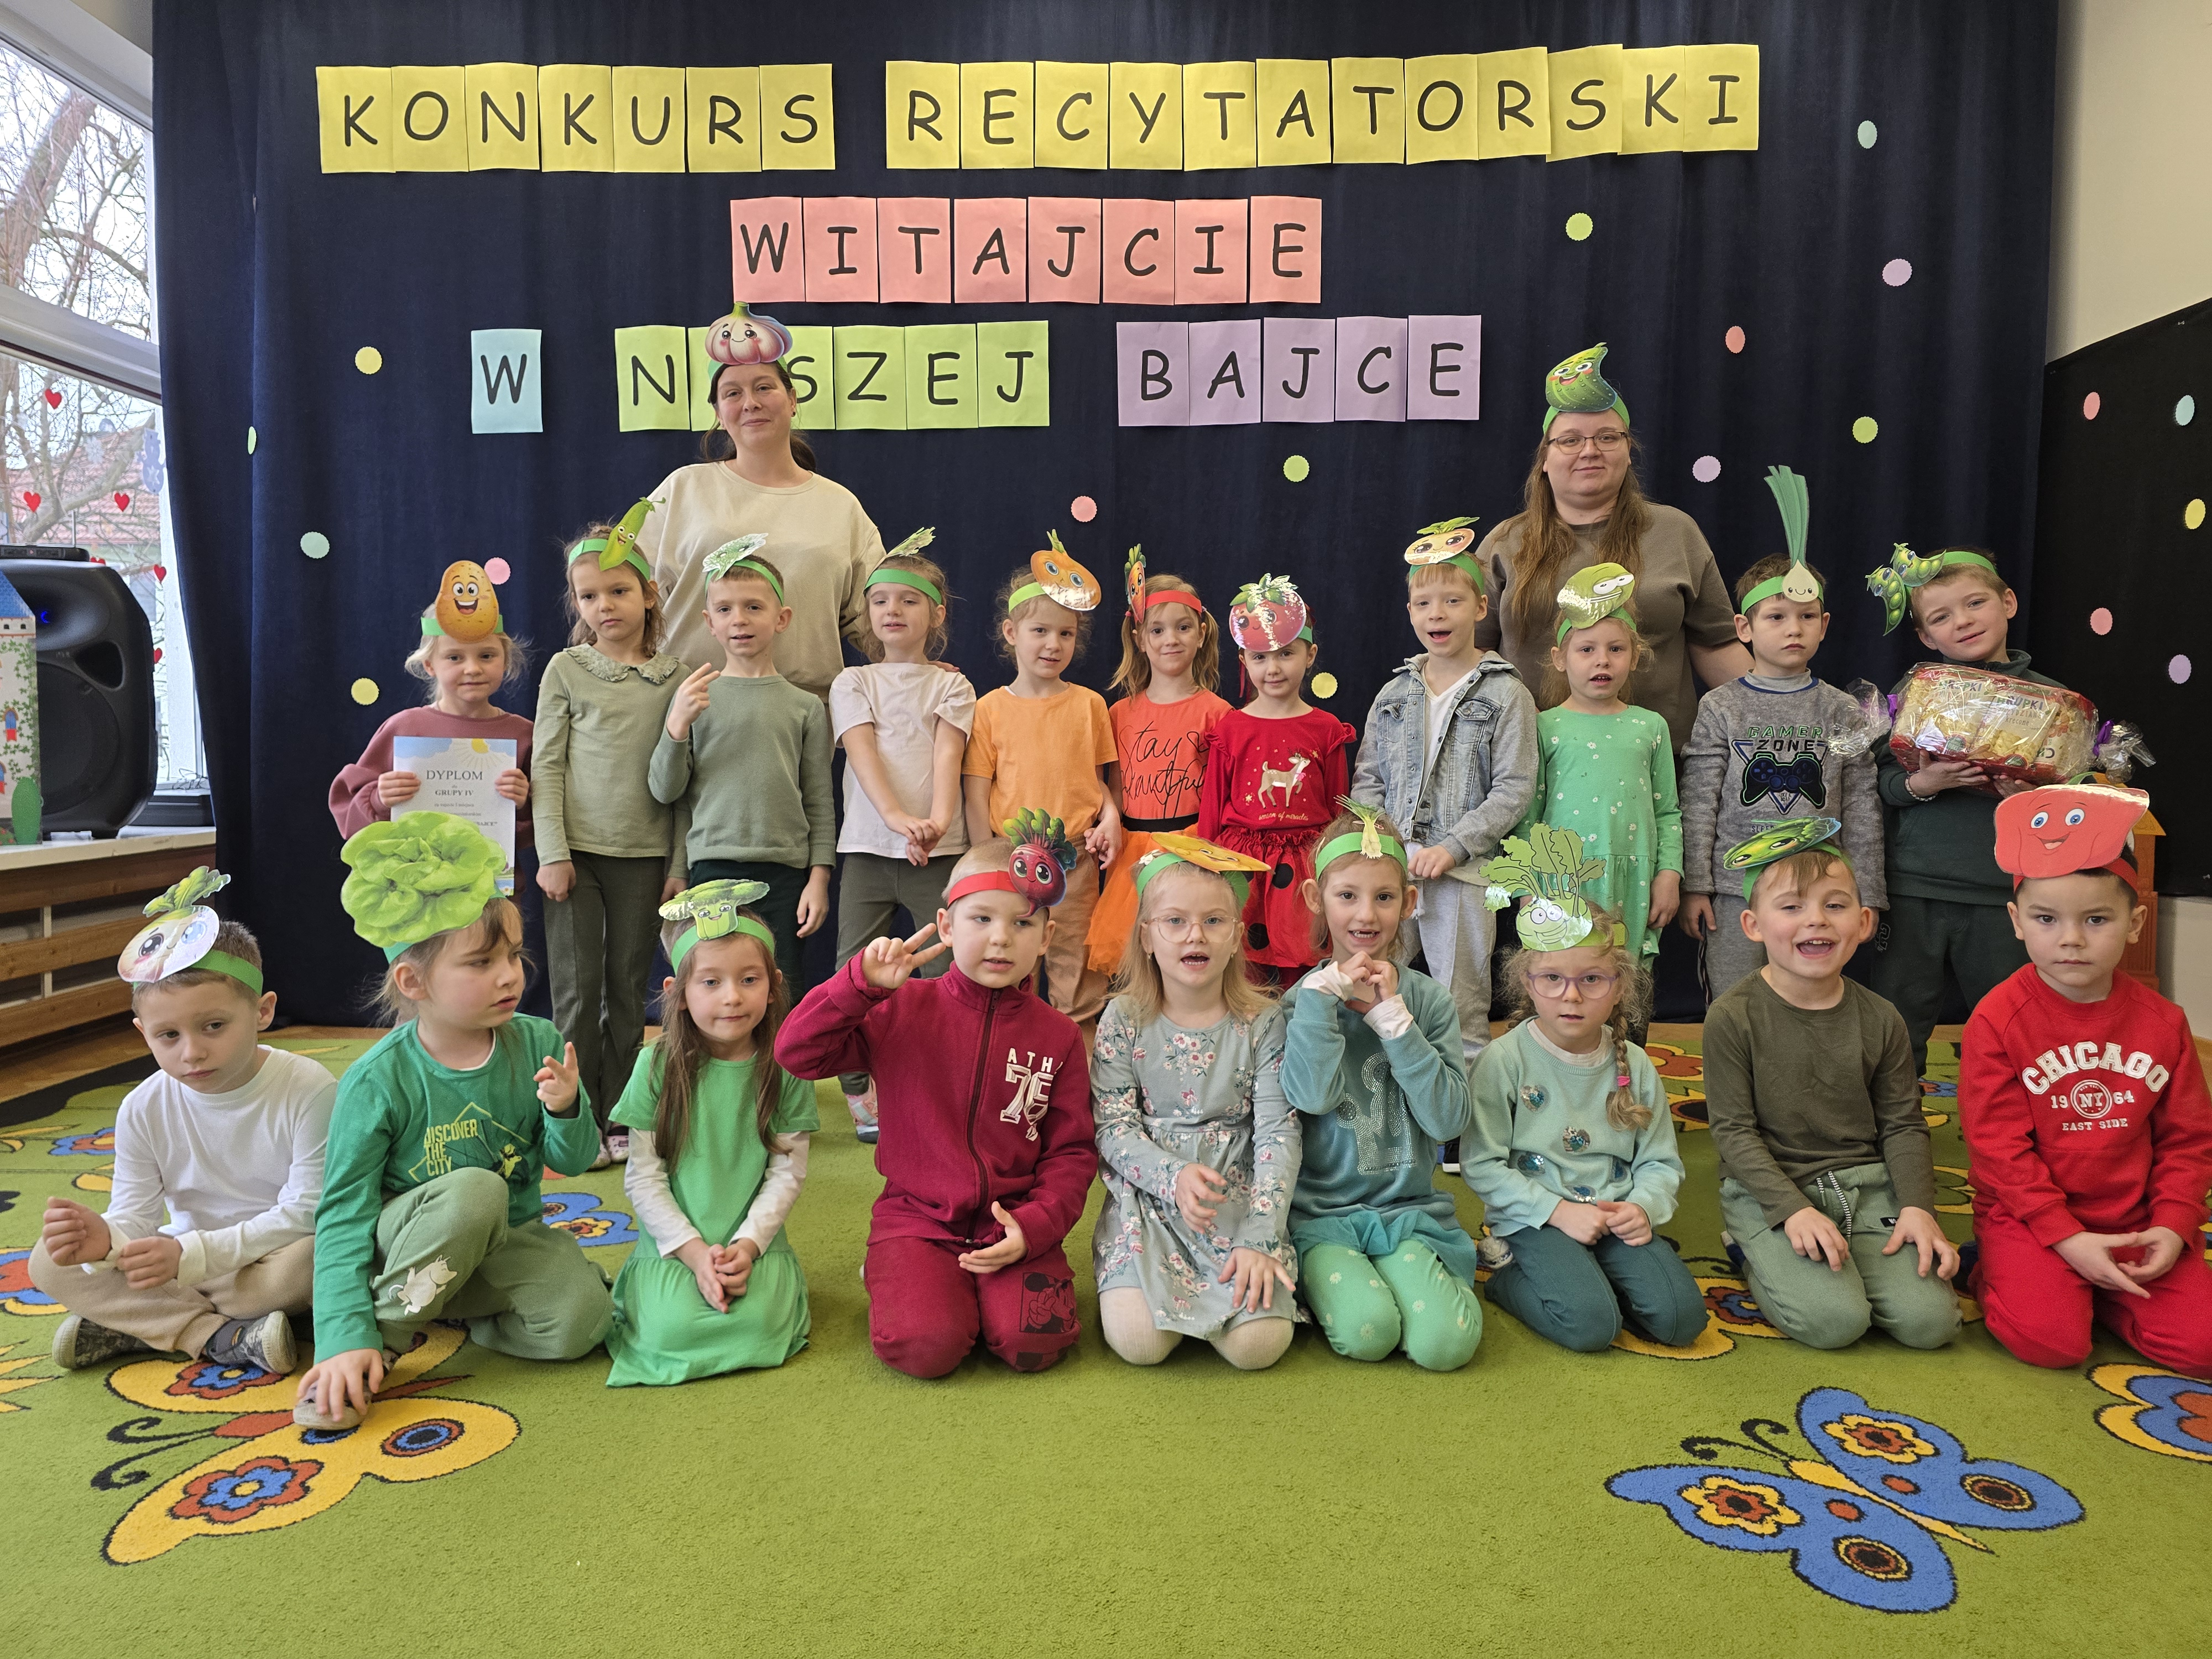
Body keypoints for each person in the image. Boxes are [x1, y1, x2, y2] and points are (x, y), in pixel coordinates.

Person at [295, 812, 611, 1432]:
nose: (510, 974)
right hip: (412, 1242)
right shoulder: (377, 1080)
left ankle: (447, 1306)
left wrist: (567, 1108)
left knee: (583, 1323)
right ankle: (384, 1337)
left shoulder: (539, 1040)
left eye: (513, 955)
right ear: (414, 981)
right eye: (481, 962)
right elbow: (344, 1215)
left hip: (506, 1240)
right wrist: (343, 1337)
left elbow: (574, 1163)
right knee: (476, 1190)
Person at [776, 830, 1098, 1378]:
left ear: (1046, 936)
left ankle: (966, 1289)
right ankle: (900, 1271)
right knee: (926, 1347)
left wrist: (1034, 1227)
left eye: (1022, 924)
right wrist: (859, 987)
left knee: (1034, 1345)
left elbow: (1071, 1153)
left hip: (1010, 1220)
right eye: (981, 919)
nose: (1001, 939)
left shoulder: (1060, 1037)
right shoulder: (900, 1007)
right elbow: (796, 1053)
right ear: (947, 926)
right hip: (916, 1220)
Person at [1960, 783, 2212, 1376]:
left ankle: (2101, 1294)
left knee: (2203, 1347)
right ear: (2017, 922)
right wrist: (2065, 1239)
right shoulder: (1996, 1020)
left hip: (2135, 1221)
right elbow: (1998, 1150)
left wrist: (2173, 1226)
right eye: (2046, 919)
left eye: (2096, 919)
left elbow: (2188, 1141)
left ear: (2135, 922)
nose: (2071, 939)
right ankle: (1999, 1271)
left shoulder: (2164, 1023)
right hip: (2030, 1220)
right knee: (2050, 1344)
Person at [35, 869, 330, 1375]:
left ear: (262, 1012)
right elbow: (135, 1216)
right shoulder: (142, 1107)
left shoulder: (310, 1088)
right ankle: (219, 1336)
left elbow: (306, 1212)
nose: (192, 1052)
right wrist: (105, 1242)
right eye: (168, 1036)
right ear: (142, 1032)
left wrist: (186, 1258)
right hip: (185, 1264)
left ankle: (143, 1323)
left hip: (267, 1262)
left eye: (214, 1026)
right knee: (48, 1261)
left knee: (320, 1257)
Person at [1702, 819, 1960, 1353]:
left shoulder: (1882, 1017)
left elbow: (1903, 1124)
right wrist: (1791, 1210)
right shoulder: (1731, 1017)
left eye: (1835, 905)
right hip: (1772, 1191)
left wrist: (1918, 1208)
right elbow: (1733, 1132)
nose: (1816, 919)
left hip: (1869, 1186)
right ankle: (1749, 1250)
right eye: (1792, 906)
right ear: (1753, 924)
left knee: (1929, 1324)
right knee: (1835, 1323)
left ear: (1864, 922)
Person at [1462, 828, 1704, 1353]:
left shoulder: (1634, 1064)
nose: (1571, 996)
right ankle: (1506, 1276)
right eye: (1552, 978)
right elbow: (1481, 1164)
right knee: (1592, 1325)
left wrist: (1643, 1208)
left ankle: (1594, 1273)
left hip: (1614, 1212)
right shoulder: (1504, 1060)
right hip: (1534, 1217)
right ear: (1528, 984)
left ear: (1619, 987)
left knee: (1681, 1320)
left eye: (1592, 980)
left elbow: (1660, 1161)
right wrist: (1558, 1213)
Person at [1471, 343, 1750, 754]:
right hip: (1529, 763)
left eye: (1607, 437)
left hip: (1658, 764)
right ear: (1544, 459)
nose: (1590, 450)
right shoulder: (1504, 543)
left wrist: (1780, 709)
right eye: (1570, 440)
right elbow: (1472, 653)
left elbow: (1717, 644)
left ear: (1628, 451)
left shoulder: (1677, 533)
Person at [1282, 803, 1482, 1370]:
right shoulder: (1300, 1004)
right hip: (1322, 1219)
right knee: (1369, 1332)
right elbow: (1311, 1098)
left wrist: (1393, 1019)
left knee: (1444, 1346)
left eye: (1385, 897)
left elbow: (1448, 1122)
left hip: (1407, 1212)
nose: (1366, 914)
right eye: (1347, 895)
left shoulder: (1428, 1001)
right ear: (1316, 899)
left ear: (1409, 903)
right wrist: (1321, 1005)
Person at [1092, 837, 1300, 1369]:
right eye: (1175, 921)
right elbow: (1113, 1127)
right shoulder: (1124, 1019)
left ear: (1236, 938)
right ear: (1146, 936)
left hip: (1236, 1202)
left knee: (1258, 1348)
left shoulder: (1264, 1021)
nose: (1195, 935)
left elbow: (1278, 1133)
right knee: (1139, 1344)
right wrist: (1172, 1176)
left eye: (1213, 921)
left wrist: (1261, 1234)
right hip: (1150, 1203)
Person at [1678, 469, 1885, 1003]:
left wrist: (1867, 891)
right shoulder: (1720, 705)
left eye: (1806, 616)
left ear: (1824, 624)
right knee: (1735, 1001)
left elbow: (1862, 804)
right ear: (1744, 629)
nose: (1793, 628)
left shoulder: (1842, 708)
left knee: (1811, 996)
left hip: (1821, 889)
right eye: (1776, 616)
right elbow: (1699, 801)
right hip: (1734, 889)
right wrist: (1695, 885)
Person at [1864, 545, 2067, 1077]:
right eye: (1941, 617)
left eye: (1975, 603)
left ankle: (2013, 1119)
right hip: (1913, 888)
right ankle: (1890, 1120)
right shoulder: (1917, 693)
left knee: (2013, 1025)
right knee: (1895, 1024)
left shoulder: (2055, 703)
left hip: (2005, 894)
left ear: (2009, 602)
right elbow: (1879, 783)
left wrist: (2031, 804)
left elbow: (2073, 806)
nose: (1963, 621)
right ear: (1926, 637)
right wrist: (1921, 784)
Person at [604, 882, 817, 1387]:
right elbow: (644, 1178)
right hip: (676, 1245)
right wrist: (695, 1252)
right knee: (670, 1331)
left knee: (759, 1324)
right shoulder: (654, 1066)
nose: (732, 997)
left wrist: (748, 1246)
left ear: (774, 985)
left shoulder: (786, 1065)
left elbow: (787, 1172)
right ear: (677, 994)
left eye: (749, 979)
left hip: (754, 1244)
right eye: (711, 982)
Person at [1352, 518, 1538, 1074]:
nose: (1437, 614)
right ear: (1410, 612)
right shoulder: (1393, 693)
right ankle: (1381, 1099)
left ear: (1480, 608)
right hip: (1392, 870)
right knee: (1371, 986)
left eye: (1453, 601)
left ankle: (1465, 1111)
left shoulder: (1506, 693)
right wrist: (1378, 844)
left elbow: (1514, 788)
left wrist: (1453, 846)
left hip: (1463, 875)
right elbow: (1368, 779)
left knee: (1461, 1004)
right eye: (1424, 603)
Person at [533, 509, 690, 1167]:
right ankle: (575, 1116)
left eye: (619, 591)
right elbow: (546, 765)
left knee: (628, 991)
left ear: (648, 594)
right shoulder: (567, 670)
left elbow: (685, 782)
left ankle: (621, 1110)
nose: (604, 606)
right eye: (589, 595)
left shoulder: (675, 677)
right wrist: (552, 853)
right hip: (576, 858)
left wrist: (677, 863)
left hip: (645, 860)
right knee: (577, 992)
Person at [631, 306, 881, 695]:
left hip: (803, 715)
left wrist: (913, 666)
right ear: (718, 413)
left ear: (792, 399)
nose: (750, 402)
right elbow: (625, 593)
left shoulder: (841, 506)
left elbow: (876, 617)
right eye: (733, 393)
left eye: (764, 387)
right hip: (688, 709)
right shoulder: (683, 488)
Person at [327, 570, 543, 1011]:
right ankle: (413, 1049)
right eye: (455, 657)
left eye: (487, 656)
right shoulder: (405, 728)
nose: (472, 668)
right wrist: (380, 798)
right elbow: (352, 810)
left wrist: (524, 801)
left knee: (489, 984)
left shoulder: (523, 734)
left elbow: (543, 822)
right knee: (422, 990)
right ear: (430, 665)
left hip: (492, 890)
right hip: (417, 893)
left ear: (505, 661)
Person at [827, 531, 974, 1142]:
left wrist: (936, 823)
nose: (893, 610)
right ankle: (860, 1090)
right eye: (880, 600)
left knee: (944, 970)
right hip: (868, 849)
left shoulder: (953, 686)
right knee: (854, 967)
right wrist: (895, 819)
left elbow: (948, 757)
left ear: (935, 614)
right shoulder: (852, 683)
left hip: (937, 853)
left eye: (909, 600)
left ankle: (940, 1085)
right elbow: (862, 755)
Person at [650, 541, 834, 995]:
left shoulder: (806, 707)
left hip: (785, 874)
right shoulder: (694, 697)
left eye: (753, 607)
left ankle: (783, 1050)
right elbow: (670, 793)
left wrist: (819, 878)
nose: (740, 619)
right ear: (709, 622)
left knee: (780, 988)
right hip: (711, 869)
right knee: (716, 983)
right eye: (725, 609)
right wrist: (677, 726)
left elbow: (819, 799)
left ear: (781, 618)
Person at [961, 540, 1120, 1032]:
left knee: (1076, 969)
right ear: (1011, 633)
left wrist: (1111, 818)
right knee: (1009, 962)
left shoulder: (1090, 705)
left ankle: (1078, 1059)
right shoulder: (989, 709)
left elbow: (1097, 782)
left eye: (1066, 634)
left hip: (1076, 860)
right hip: (1011, 859)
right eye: (1040, 631)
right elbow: (976, 793)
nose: (1053, 644)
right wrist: (985, 859)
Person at [1519, 565, 1682, 968]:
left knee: (1625, 979)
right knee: (1564, 976)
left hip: (1635, 879)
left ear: (1635, 656)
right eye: (1587, 649)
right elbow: (1527, 813)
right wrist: (1527, 887)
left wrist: (1670, 874)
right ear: (1560, 658)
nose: (1602, 661)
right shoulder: (1543, 727)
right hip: (1560, 880)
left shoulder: (1651, 726)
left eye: (1616, 649)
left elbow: (1667, 811)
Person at [1199, 573, 1355, 982]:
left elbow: (1340, 809)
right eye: (1260, 657)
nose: (1273, 668)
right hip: (1243, 862)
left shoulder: (1326, 729)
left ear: (1310, 654)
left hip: (1305, 863)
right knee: (1242, 961)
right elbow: (1213, 808)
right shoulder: (1231, 729)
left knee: (1305, 957)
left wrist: (1339, 865)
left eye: (1286, 654)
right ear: (1243, 661)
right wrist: (1206, 866)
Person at [1085, 551, 1232, 979]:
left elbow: (1221, 795)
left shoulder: (1218, 713)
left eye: (1183, 627)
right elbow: (1114, 789)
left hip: (1191, 848)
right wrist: (1107, 824)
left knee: (1185, 951)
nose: (1171, 639)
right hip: (1133, 851)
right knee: (1136, 963)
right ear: (1139, 637)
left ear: (1201, 634)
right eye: (1158, 629)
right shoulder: (1119, 713)